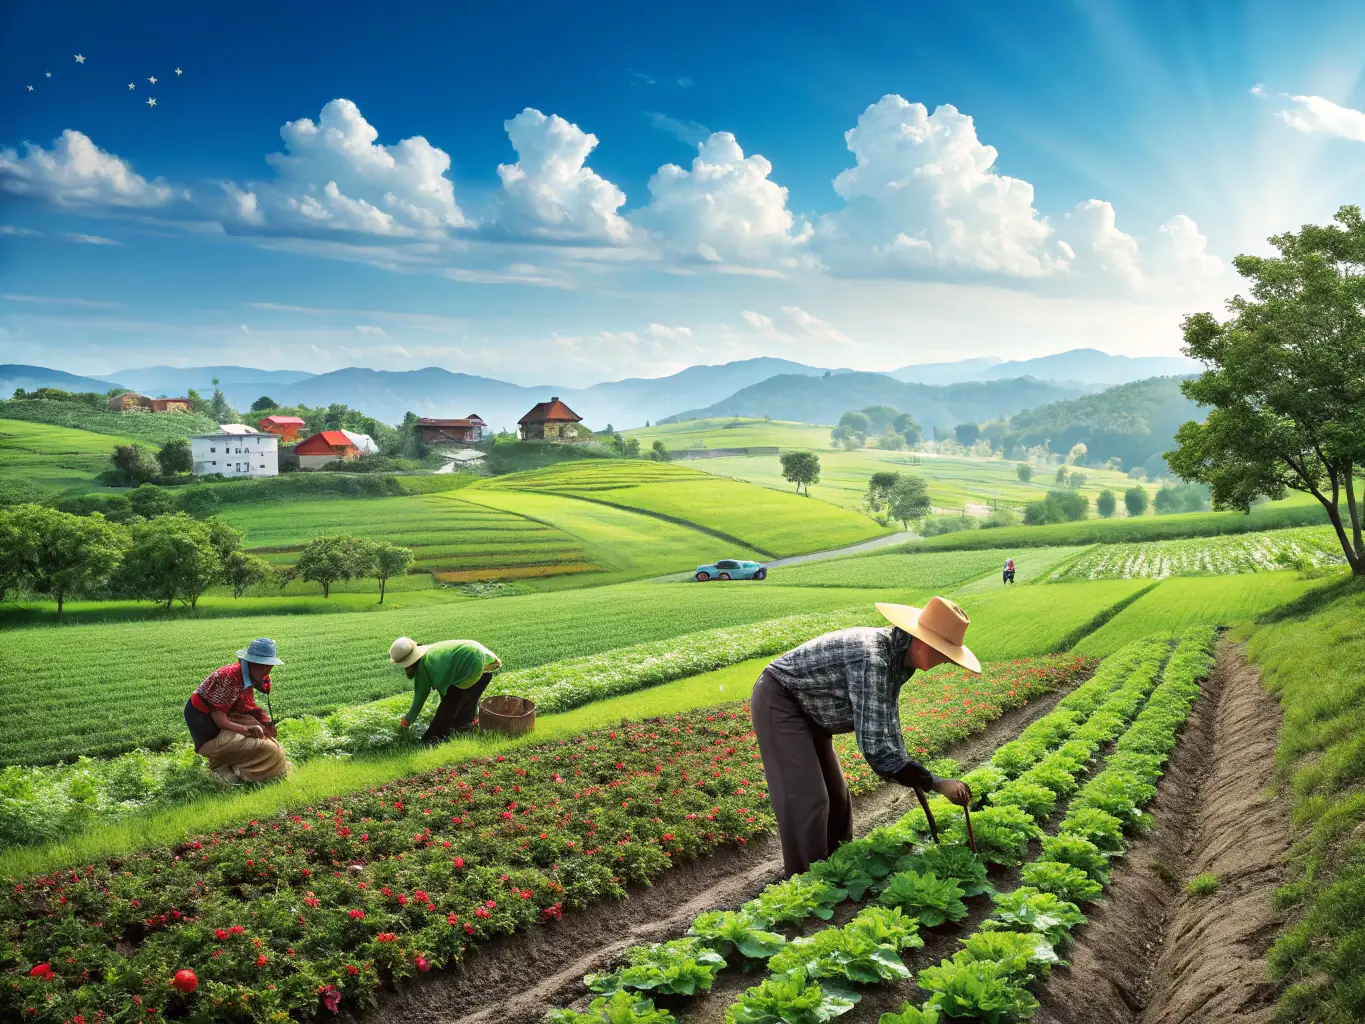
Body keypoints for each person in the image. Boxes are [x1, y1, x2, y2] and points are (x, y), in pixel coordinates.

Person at [752, 596, 981, 876]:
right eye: (943, 652)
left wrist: (911, 769)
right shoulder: (873, 658)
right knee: (809, 800)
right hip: (781, 701)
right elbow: (876, 749)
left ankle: (838, 869)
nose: (945, 661)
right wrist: (934, 783)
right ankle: (807, 882)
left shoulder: (899, 659)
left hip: (813, 713)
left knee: (837, 798)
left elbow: (886, 724)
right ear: (921, 643)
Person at [184, 638, 291, 785]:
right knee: (264, 746)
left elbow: (247, 707)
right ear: (252, 663)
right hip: (205, 721)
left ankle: (237, 765)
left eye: (270, 666)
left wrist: (265, 723)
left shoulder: (248, 675)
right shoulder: (229, 678)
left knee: (265, 738)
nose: (268, 670)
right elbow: (219, 720)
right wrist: (247, 729)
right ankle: (223, 765)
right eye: (264, 666)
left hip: (224, 715)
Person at [391, 637, 503, 744]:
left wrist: (405, 723)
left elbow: (418, 702)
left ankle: (431, 740)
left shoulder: (423, 667)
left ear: (408, 664)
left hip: (472, 663)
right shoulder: (431, 652)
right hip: (486, 663)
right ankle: (465, 727)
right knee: (467, 702)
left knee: (447, 710)